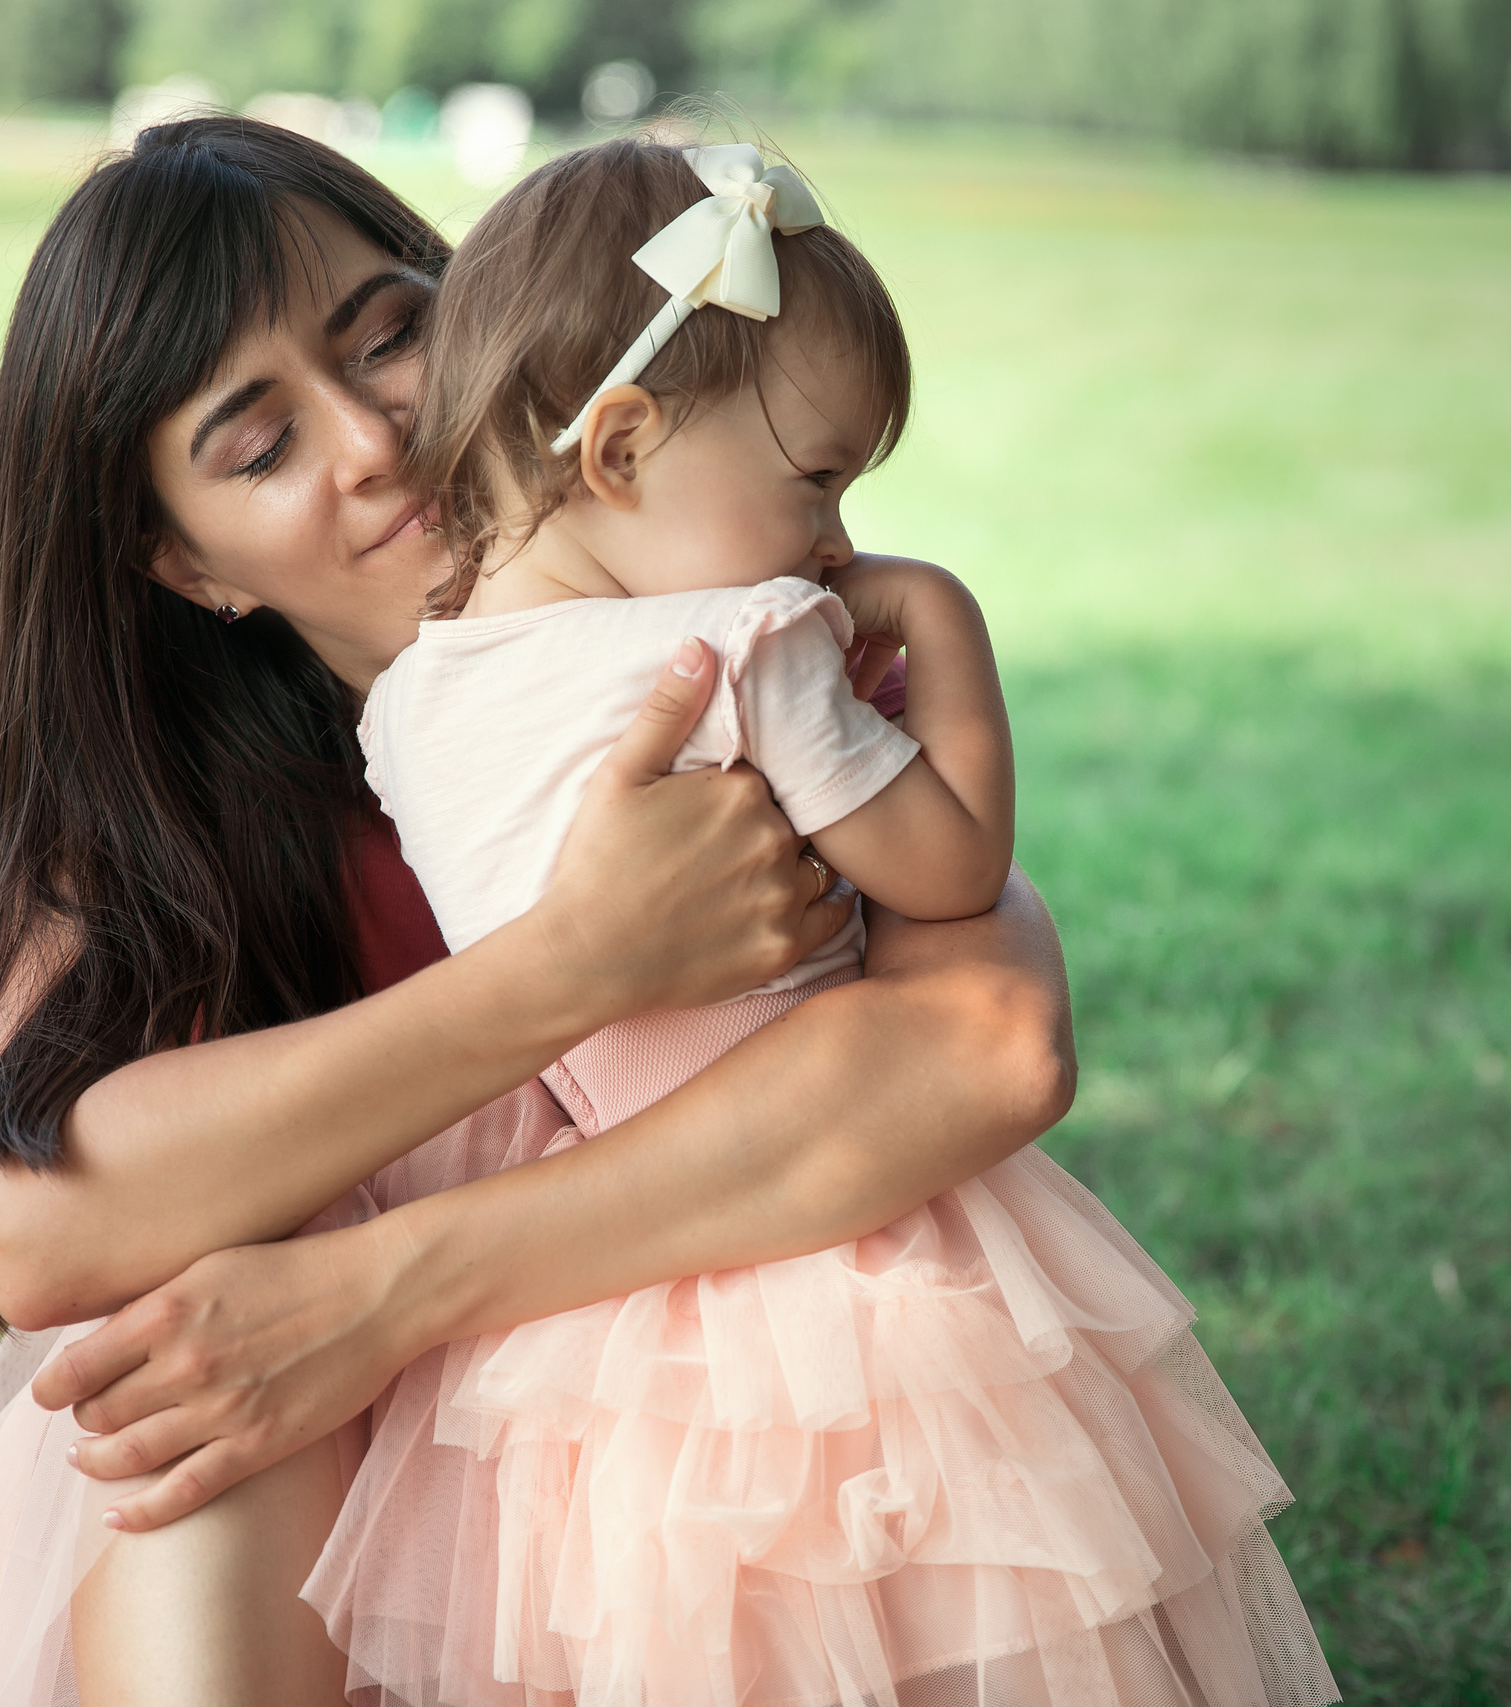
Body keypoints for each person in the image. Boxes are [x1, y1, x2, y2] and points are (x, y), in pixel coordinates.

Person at [0, 117, 1080, 1707]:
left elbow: (994, 1050)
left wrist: (387, 1290)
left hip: (687, 1433)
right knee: (197, 1442)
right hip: (317, 1491)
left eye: (394, 334)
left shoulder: (729, 629)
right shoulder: (177, 814)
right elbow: (40, 1226)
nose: (377, 441)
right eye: (258, 448)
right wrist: (566, 970)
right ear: (189, 567)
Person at [304, 138, 1338, 1707]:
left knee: (681, 1630)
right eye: (818, 479)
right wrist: (948, 631)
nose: (840, 539)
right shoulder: (751, 640)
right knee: (944, 1608)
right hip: (843, 1227)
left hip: (608, 1276)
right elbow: (953, 871)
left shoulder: (412, 704)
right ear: (626, 445)